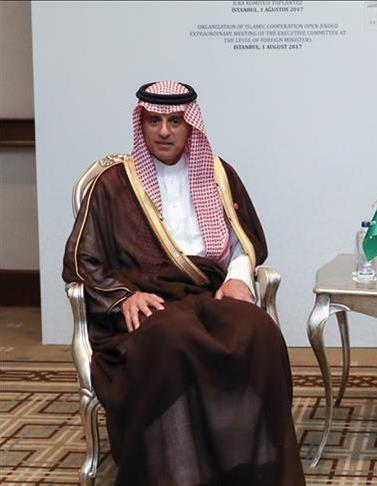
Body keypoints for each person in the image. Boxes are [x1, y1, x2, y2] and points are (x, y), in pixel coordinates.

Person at [62, 81, 306, 485]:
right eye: (154, 121)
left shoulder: (219, 174)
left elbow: (243, 242)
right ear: (141, 124)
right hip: (149, 302)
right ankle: (177, 472)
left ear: (190, 125)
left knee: (258, 331)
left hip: (210, 293)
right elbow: (81, 260)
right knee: (174, 337)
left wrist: (239, 278)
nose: (164, 131)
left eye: (175, 121)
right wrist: (125, 297)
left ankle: (252, 468)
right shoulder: (113, 184)